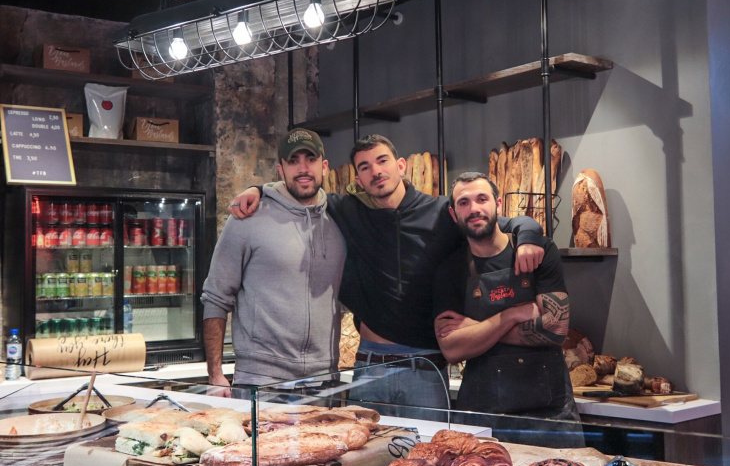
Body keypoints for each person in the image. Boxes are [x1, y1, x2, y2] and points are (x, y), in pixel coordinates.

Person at [228, 134, 545, 414]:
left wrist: (529, 237)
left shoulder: (440, 212)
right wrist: (259, 190)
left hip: (427, 369)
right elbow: (300, 190)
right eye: (365, 166)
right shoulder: (348, 211)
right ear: (359, 178)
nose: (376, 171)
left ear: (401, 165)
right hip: (369, 368)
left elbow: (508, 222)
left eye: (382, 161)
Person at [432, 172, 581, 441]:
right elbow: (452, 348)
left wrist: (478, 331)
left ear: (498, 205)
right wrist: (513, 314)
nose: (474, 208)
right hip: (483, 417)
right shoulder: (449, 269)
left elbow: (556, 329)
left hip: (550, 416)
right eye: (463, 203)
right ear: (454, 215)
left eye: (481, 199)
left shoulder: (537, 251)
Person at [201, 128, 346, 393]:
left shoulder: (341, 220)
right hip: (262, 381)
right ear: (281, 170)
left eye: (310, 159)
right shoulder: (247, 218)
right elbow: (215, 297)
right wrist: (215, 373)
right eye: (293, 161)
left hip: (324, 381)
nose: (303, 168)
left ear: (324, 166)